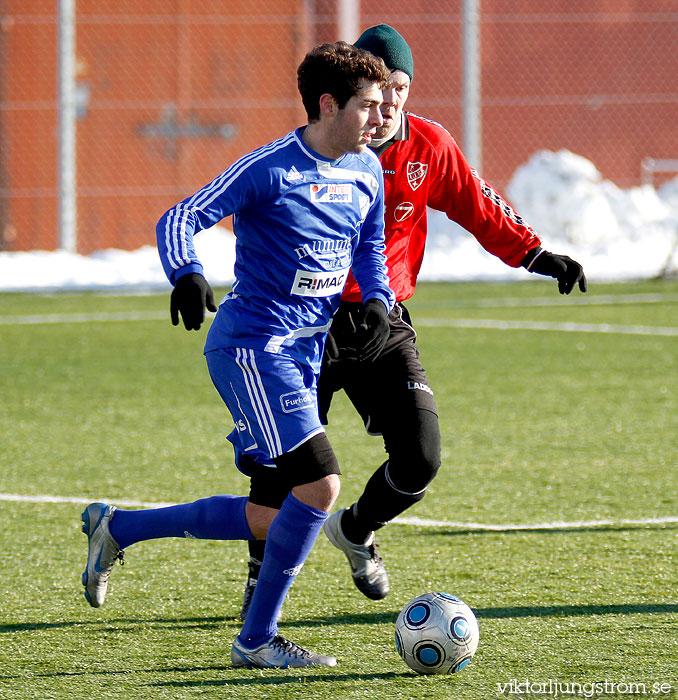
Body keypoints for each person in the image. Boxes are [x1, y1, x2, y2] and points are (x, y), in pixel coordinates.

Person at [239, 24, 587, 614]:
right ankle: (258, 582)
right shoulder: (318, 151)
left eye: (399, 85)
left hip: (382, 323)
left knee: (421, 457)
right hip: (305, 324)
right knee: (281, 470)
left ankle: (355, 529)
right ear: (349, 93)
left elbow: (479, 205)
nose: (390, 99)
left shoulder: (428, 145)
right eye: (376, 86)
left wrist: (535, 252)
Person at [80, 41, 394, 669]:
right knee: (323, 482)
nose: (380, 118)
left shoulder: (366, 171)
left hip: (303, 356)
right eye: (368, 105)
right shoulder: (272, 168)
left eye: (383, 105)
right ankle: (256, 641)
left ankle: (116, 529)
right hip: (253, 347)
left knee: (267, 514)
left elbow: (370, 246)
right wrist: (187, 272)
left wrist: (379, 298)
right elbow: (183, 215)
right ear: (328, 105)